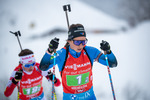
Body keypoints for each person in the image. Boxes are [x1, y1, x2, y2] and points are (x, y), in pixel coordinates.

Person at [39, 24, 118, 100]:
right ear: (69, 41)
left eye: (83, 42)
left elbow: (112, 63)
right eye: (77, 42)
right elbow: (43, 67)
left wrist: (108, 51)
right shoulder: (62, 54)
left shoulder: (90, 51)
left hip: (89, 97)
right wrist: (50, 51)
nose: (80, 45)